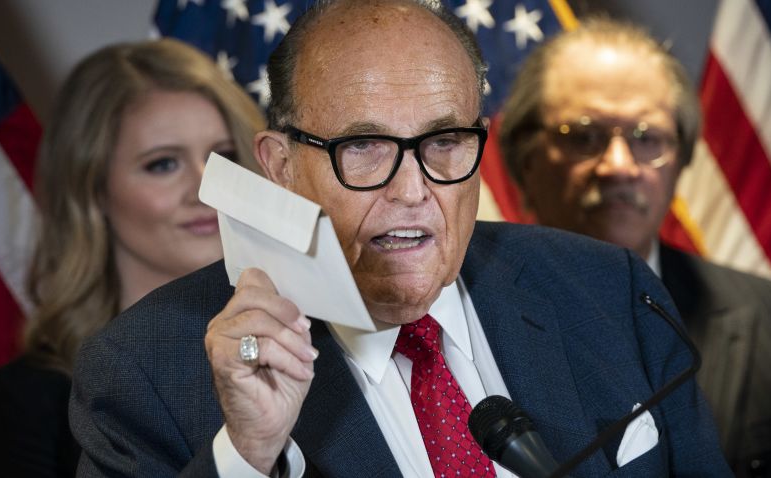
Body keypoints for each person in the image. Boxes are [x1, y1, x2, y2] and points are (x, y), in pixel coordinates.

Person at [69, 2, 732, 476]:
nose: (412, 189)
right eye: (363, 147)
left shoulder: (609, 292)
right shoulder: (146, 374)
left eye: (444, 142)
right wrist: (246, 453)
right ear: (277, 166)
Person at [499, 17, 771, 478]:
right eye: (584, 135)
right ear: (524, 158)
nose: (619, 166)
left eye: (647, 138)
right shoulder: (459, 327)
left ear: (682, 160)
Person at [0, 38, 265, 478]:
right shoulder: (28, 399)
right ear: (93, 193)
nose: (206, 187)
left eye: (223, 157)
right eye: (163, 164)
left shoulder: (312, 346)